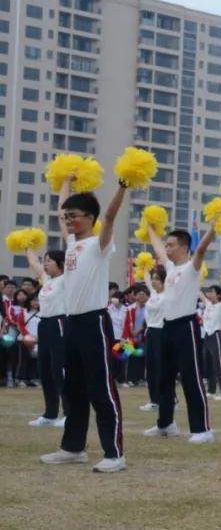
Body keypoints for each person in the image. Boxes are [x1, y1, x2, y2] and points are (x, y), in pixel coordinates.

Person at [40, 176, 130, 472]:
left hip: (94, 323)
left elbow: (110, 215)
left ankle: (114, 454)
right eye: (66, 217)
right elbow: (60, 209)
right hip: (71, 323)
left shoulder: (99, 244)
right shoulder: (71, 244)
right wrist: (66, 180)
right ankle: (73, 448)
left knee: (101, 389)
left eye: (73, 216)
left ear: (89, 218)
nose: (67, 221)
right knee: (72, 389)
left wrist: (122, 186)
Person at [142, 225, 216, 443]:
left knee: (191, 378)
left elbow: (201, 249)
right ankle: (165, 424)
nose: (167, 249)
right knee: (163, 379)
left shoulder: (192, 267)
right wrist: (150, 226)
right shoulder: (170, 268)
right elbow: (157, 248)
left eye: (171, 245)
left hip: (186, 327)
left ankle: (202, 430)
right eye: (167, 245)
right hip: (167, 327)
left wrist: (213, 228)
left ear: (184, 248)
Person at [24, 249, 68, 428]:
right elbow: (33, 263)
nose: (45, 263)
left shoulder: (67, 279)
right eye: (45, 260)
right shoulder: (47, 279)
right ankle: (50, 415)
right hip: (44, 324)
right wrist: (26, 244)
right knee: (45, 370)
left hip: (59, 323)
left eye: (50, 261)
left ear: (61, 264)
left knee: (60, 369)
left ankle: (70, 414)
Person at [140, 266, 166, 412]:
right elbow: (148, 281)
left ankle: (168, 399)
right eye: (153, 279)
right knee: (150, 367)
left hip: (161, 332)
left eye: (157, 279)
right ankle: (154, 400)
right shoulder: (154, 294)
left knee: (161, 367)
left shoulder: (168, 295)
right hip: (150, 331)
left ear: (164, 281)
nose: (154, 281)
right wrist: (145, 269)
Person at [201, 285, 221, 400]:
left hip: (216, 335)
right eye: (209, 291)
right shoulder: (208, 304)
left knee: (218, 364)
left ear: (218, 295)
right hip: (207, 336)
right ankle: (211, 390)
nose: (209, 293)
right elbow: (199, 292)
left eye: (212, 291)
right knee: (208, 364)